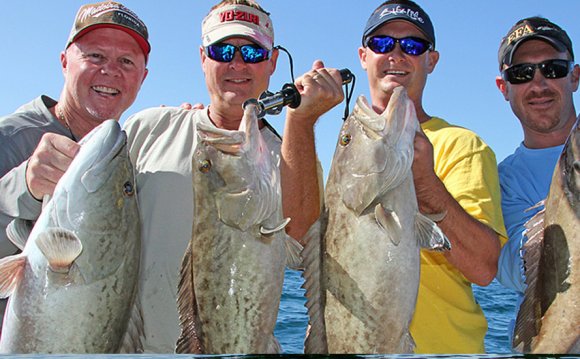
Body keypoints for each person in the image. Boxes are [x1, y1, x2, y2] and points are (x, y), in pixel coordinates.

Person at [123, 0, 345, 352]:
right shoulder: (146, 129)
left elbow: (299, 242)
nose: (237, 63)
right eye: (222, 50)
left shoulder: (293, 156)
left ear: (272, 63)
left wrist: (301, 123)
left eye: (253, 52)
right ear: (202, 58)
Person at [358, 0, 507, 353]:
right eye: (382, 44)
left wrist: (427, 186)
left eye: (412, 45)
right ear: (364, 56)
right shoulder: (348, 148)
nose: (396, 54)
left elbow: (485, 268)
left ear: (431, 60)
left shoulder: (464, 146)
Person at [0, 0, 149, 327]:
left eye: (126, 61)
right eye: (95, 56)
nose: (110, 70)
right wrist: (22, 184)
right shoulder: (8, 138)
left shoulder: (124, 155)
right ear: (65, 61)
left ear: (143, 77)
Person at [495, 17, 579, 340]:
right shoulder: (502, 180)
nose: (539, 83)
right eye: (522, 74)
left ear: (575, 76)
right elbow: (517, 271)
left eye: (553, 68)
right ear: (504, 88)